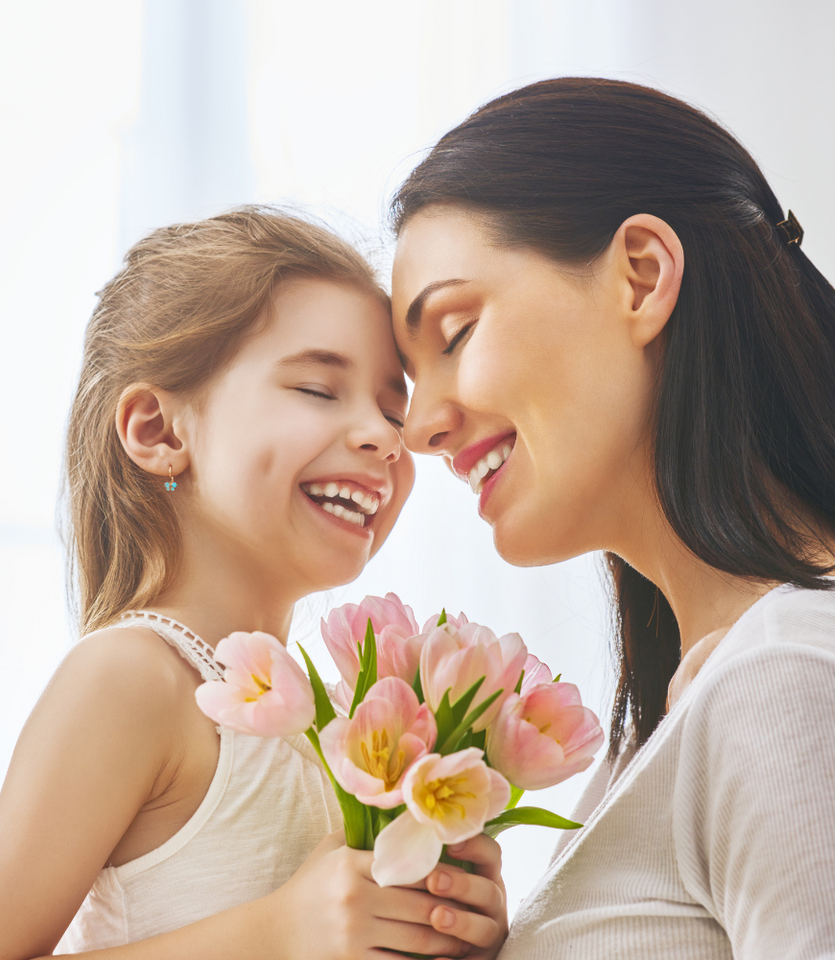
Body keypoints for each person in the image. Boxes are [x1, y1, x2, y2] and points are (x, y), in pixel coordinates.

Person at [0, 208, 508, 960]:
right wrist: (277, 935)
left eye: (392, 409)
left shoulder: (330, 718)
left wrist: (444, 920)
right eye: (318, 389)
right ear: (159, 432)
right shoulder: (133, 679)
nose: (385, 437)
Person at [388, 78, 835, 958]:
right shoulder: (690, 703)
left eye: (454, 333)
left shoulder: (779, 679)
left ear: (642, 277)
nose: (418, 427)